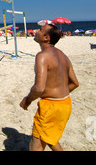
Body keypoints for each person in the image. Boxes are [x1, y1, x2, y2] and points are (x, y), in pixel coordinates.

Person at [20, 23, 79, 151]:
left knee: (35, 146)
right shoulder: (62, 55)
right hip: (66, 103)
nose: (36, 31)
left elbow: (39, 88)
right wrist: (59, 94)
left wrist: (27, 100)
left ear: (47, 38)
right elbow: (75, 83)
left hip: (51, 106)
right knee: (50, 139)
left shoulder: (42, 56)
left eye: (40, 30)